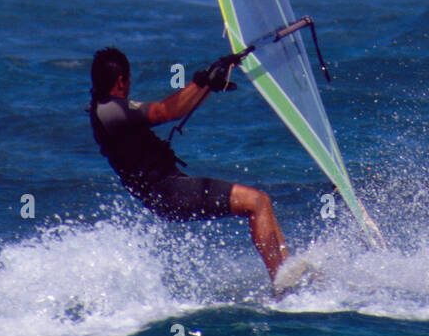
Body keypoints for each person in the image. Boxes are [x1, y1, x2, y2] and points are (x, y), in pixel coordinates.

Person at [88, 46, 292, 283]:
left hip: (166, 191)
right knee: (256, 202)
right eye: (130, 78)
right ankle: (282, 284)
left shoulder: (106, 108)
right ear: (122, 80)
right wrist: (201, 80)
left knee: (261, 201)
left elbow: (173, 107)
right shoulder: (110, 111)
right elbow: (165, 112)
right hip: (168, 192)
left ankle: (287, 270)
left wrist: (210, 82)